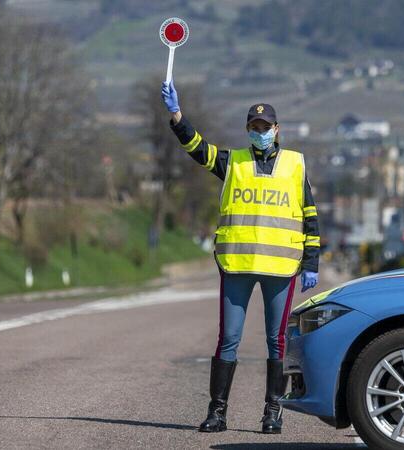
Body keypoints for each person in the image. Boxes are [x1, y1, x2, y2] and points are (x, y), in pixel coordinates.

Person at [161, 80, 321, 434]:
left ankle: (273, 413)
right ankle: (217, 413)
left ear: (277, 129)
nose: (260, 132)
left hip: (280, 267)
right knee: (228, 338)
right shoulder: (233, 161)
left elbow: (310, 216)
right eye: (254, 127)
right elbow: (197, 149)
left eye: (265, 127)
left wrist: (311, 262)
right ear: (248, 130)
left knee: (277, 341)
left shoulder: (295, 165)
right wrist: (177, 116)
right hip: (237, 265)